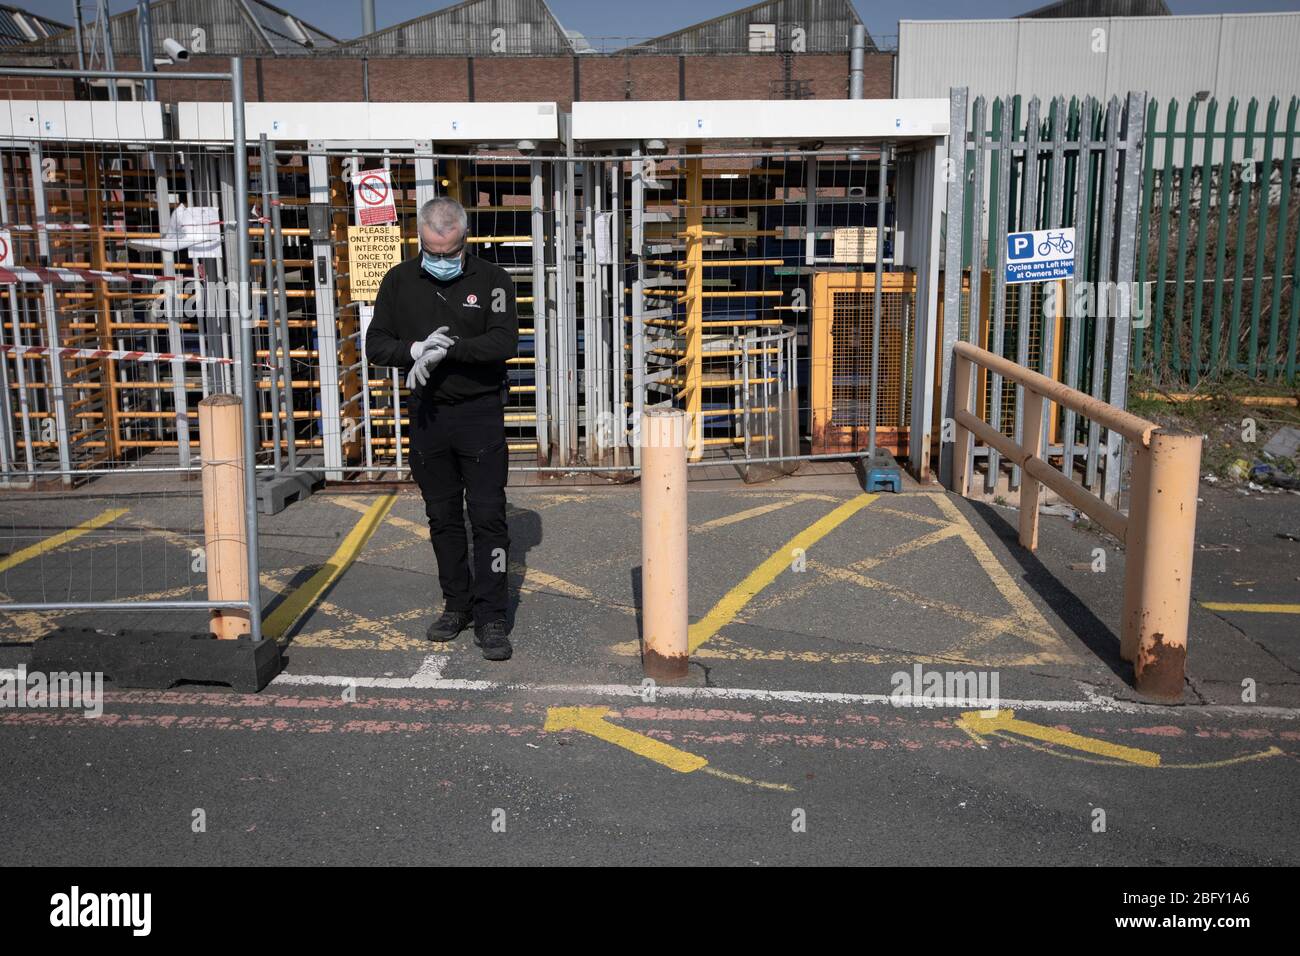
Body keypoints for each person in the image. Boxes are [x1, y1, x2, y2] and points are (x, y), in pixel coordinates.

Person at [365, 197, 518, 660]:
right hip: (429, 416)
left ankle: (492, 615)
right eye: (433, 252)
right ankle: (457, 604)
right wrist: (414, 350)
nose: (443, 261)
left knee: (489, 516)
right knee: (442, 515)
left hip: (479, 414)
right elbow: (376, 343)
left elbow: (503, 340)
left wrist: (446, 351)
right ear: (420, 241)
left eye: (451, 253)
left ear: (465, 241)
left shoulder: (493, 279)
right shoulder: (398, 281)